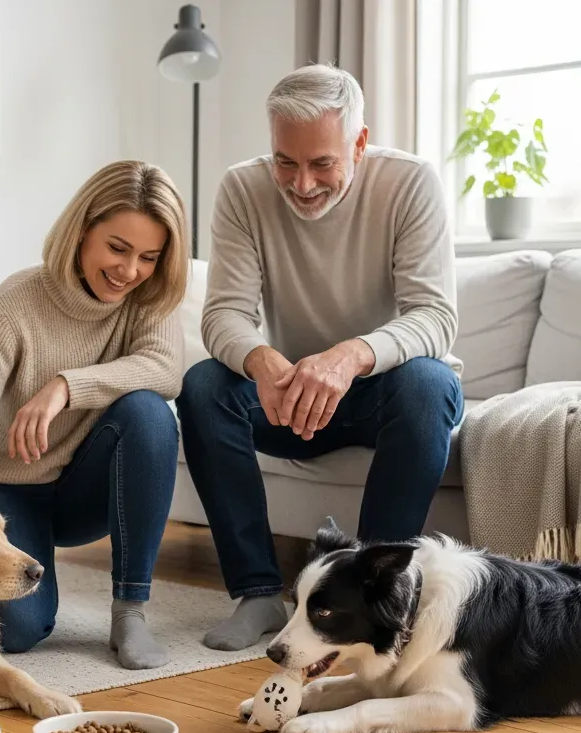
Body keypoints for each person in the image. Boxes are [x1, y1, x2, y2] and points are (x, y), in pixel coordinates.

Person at [176, 63, 464, 651]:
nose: (302, 183)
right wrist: (262, 361)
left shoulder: (409, 183)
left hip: (378, 391)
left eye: (322, 163)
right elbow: (222, 314)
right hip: (289, 397)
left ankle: (376, 596)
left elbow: (434, 316)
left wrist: (350, 357)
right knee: (205, 386)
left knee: (427, 384)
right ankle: (257, 594)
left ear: (359, 143)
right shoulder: (242, 188)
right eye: (286, 161)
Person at [0, 160, 188, 670]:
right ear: (82, 230)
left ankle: (130, 610)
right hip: (4, 494)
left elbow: (164, 369)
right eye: (117, 247)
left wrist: (66, 386)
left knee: (151, 414)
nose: (130, 271)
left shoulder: (149, 299)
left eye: (149, 257)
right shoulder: (15, 305)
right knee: (19, 631)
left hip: (81, 491)